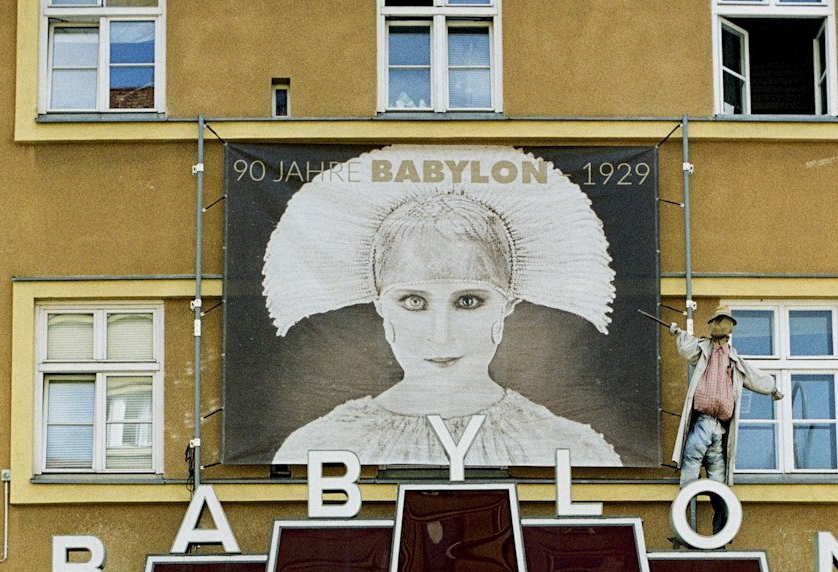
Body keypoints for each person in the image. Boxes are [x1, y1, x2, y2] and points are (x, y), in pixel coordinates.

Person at [263, 146, 622, 468]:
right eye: (413, 302)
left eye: (468, 301)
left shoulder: (570, 448)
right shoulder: (320, 446)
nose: (440, 334)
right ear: (381, 308)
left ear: (507, 306)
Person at [670, 303, 783, 530]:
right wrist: (678, 333)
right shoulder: (704, 349)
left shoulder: (734, 359)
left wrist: (772, 388)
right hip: (702, 423)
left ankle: (720, 530)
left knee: (718, 480)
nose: (722, 329)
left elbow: (755, 376)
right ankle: (681, 524)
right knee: (690, 471)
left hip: (719, 428)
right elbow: (687, 347)